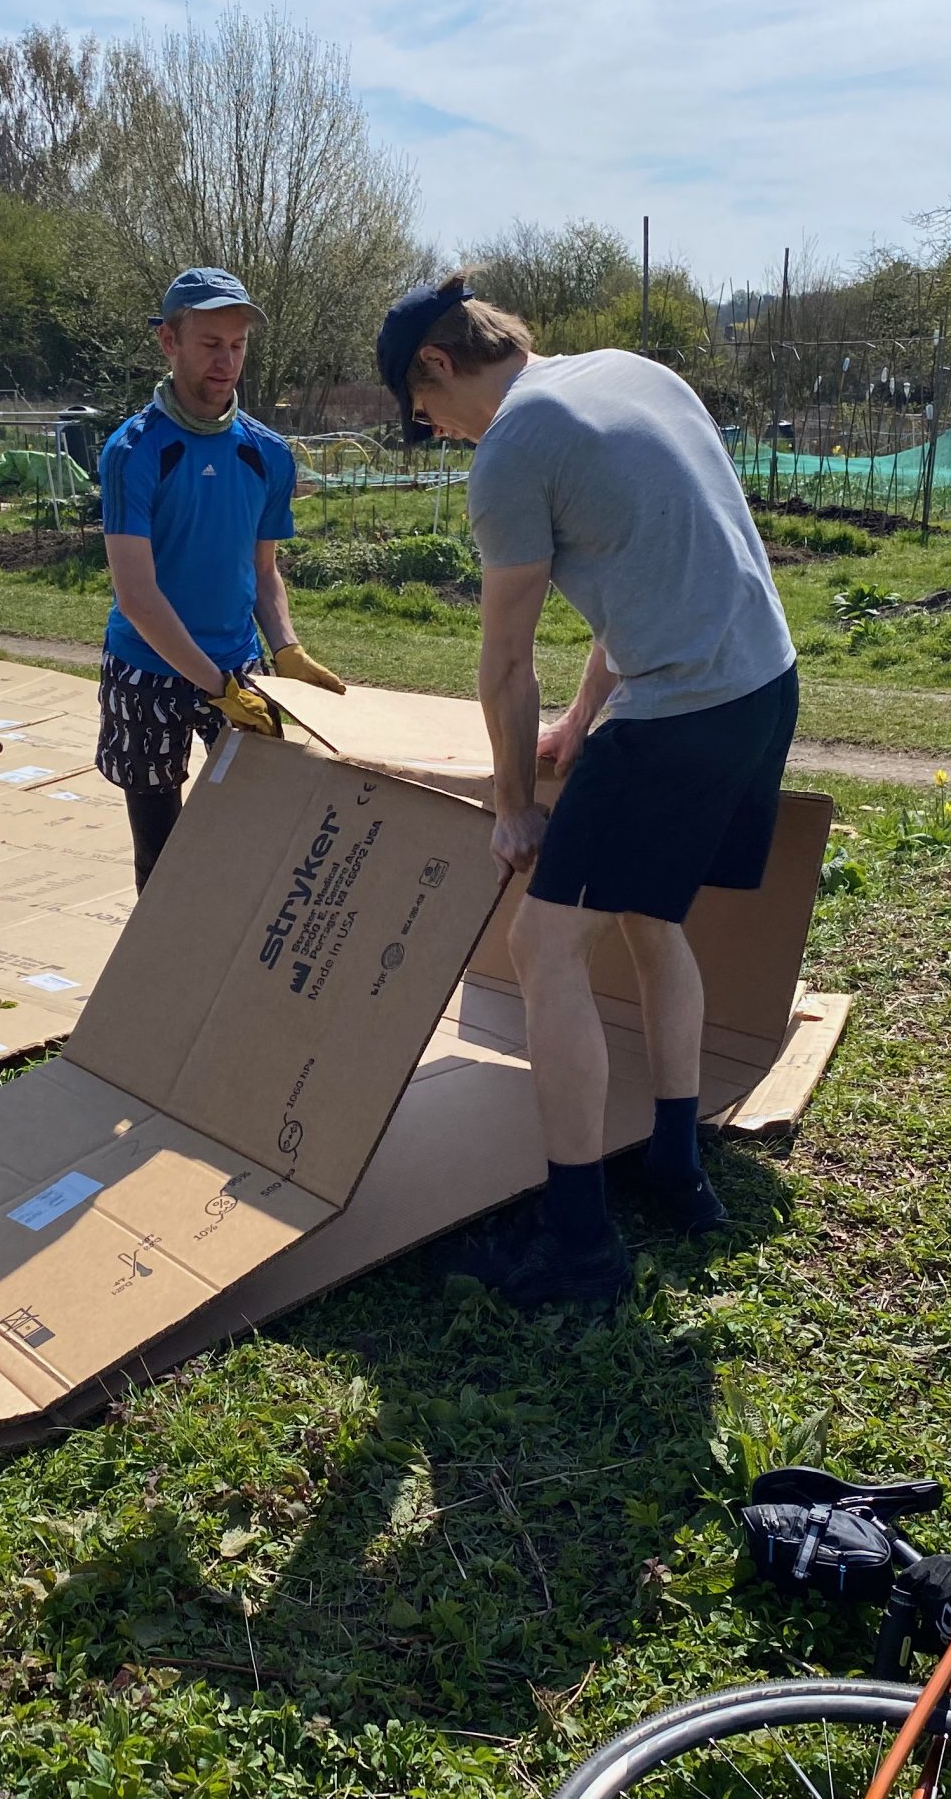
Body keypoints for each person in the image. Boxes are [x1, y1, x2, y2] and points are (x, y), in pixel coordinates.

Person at [375, 273, 799, 1306]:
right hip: (765, 685)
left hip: (683, 708)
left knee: (541, 941)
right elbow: (640, 577)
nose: (439, 435)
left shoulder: (517, 442)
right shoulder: (628, 375)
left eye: (425, 417)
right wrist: (581, 721)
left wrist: (516, 800)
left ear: (436, 365)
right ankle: (676, 1168)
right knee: (651, 918)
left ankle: (578, 1244)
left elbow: (503, 658)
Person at [98, 267, 346, 889]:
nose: (226, 361)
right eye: (210, 344)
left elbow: (263, 572)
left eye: (237, 346)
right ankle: (167, 980)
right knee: (159, 857)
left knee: (249, 843)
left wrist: (285, 648)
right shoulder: (135, 451)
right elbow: (138, 596)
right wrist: (215, 687)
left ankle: (229, 978)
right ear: (169, 342)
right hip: (147, 669)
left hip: (239, 667)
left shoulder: (268, 453)